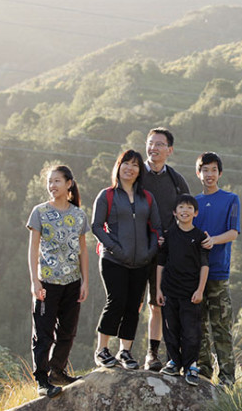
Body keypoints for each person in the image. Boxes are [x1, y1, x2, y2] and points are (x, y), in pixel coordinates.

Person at [91, 150, 161, 369]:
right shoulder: (107, 195)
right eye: (126, 164)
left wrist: (149, 252)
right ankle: (102, 350)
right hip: (113, 260)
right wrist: (113, 248)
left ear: (140, 171)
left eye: (135, 165)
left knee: (133, 306)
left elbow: (156, 228)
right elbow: (96, 226)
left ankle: (125, 352)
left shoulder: (147, 197)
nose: (130, 169)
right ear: (118, 167)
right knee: (116, 301)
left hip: (141, 262)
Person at [26, 165, 90, 398]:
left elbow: (83, 250)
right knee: (43, 333)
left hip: (72, 283)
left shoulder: (79, 214)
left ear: (69, 184)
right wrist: (35, 281)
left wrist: (85, 282)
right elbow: (33, 249)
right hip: (47, 282)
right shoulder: (40, 212)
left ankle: (58, 371)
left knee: (67, 332)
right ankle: (42, 380)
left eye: (57, 181)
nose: (52, 186)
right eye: (49, 182)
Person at [141, 127, 191, 371]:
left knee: (157, 304)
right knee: (128, 303)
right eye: (151, 143)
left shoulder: (176, 180)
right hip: (135, 250)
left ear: (169, 150)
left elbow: (186, 213)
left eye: (160, 144)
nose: (154, 148)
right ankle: (122, 352)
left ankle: (152, 355)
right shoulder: (136, 173)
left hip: (164, 253)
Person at [194, 152, 240, 385]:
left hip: (218, 273)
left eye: (213, 170)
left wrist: (213, 239)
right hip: (194, 276)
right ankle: (203, 373)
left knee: (221, 327)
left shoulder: (231, 199)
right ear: (198, 173)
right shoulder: (194, 203)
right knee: (198, 327)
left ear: (219, 173)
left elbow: (233, 233)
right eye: (205, 170)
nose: (209, 174)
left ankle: (227, 379)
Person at [156, 194, 209, 386]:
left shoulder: (200, 236)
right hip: (170, 291)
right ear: (174, 212)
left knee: (191, 331)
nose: (184, 211)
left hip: (191, 293)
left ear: (195, 212)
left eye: (189, 208)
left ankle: (190, 366)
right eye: (181, 207)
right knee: (171, 329)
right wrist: (158, 290)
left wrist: (200, 290)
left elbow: (204, 265)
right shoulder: (169, 235)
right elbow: (160, 264)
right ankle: (173, 362)